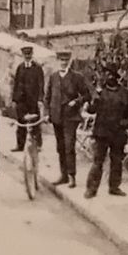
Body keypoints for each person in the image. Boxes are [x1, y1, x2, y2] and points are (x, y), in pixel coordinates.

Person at [85, 64, 128, 198]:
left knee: (117, 160)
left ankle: (114, 187)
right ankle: (91, 189)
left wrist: (126, 123)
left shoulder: (125, 93)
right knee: (98, 161)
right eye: (106, 74)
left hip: (118, 132)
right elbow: (91, 110)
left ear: (116, 77)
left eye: (110, 74)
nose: (108, 77)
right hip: (102, 132)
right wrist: (93, 100)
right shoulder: (100, 93)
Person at [44, 50, 90, 187]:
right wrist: (47, 113)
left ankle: (72, 176)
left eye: (66, 60)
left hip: (71, 117)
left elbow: (87, 95)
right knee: (60, 147)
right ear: (58, 61)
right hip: (56, 116)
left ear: (69, 61)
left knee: (69, 146)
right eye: (61, 60)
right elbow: (47, 97)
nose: (63, 63)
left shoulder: (77, 77)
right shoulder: (53, 77)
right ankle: (63, 175)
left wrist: (76, 102)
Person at [11, 45, 45, 152]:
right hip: (21, 101)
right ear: (22, 55)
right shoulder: (20, 67)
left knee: (35, 123)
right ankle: (20, 145)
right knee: (21, 123)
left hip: (33, 100)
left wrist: (40, 99)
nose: (27, 56)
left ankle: (37, 145)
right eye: (25, 54)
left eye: (29, 54)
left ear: (32, 54)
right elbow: (16, 84)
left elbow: (41, 84)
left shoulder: (37, 68)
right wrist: (14, 100)